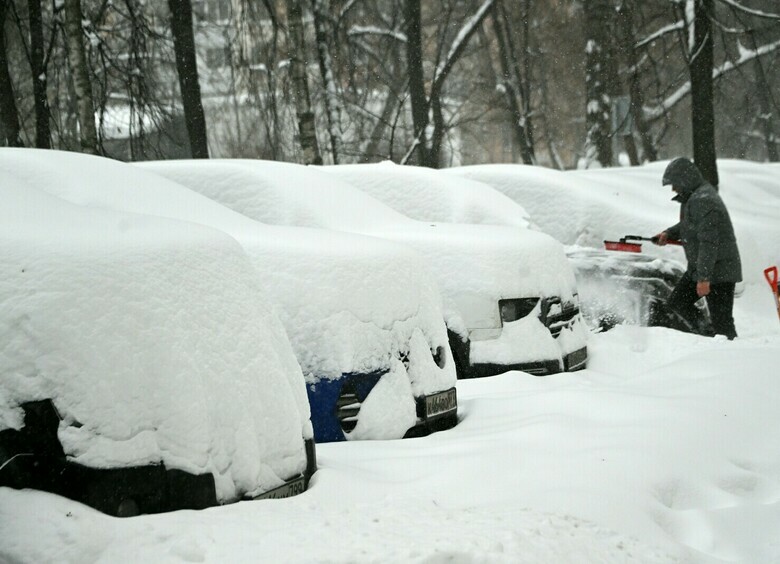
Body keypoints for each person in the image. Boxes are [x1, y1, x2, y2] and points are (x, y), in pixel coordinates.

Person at [653, 157, 742, 339]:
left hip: (719, 272)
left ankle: (732, 354)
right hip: (702, 269)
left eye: (675, 184)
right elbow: (689, 224)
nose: (674, 189)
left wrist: (704, 278)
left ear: (685, 180)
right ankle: (708, 336)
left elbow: (709, 243)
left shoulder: (704, 200)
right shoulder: (696, 197)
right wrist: (668, 233)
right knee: (678, 303)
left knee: (723, 324)